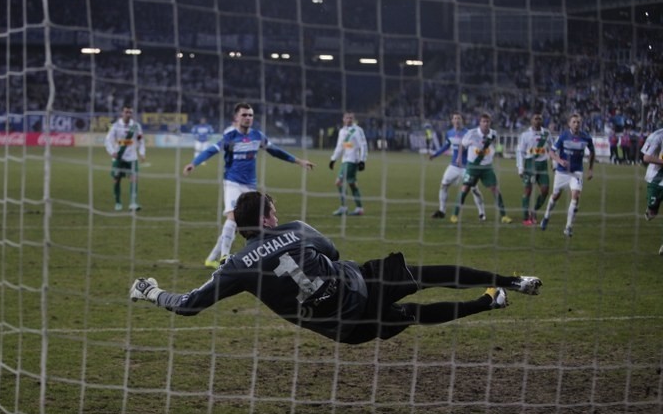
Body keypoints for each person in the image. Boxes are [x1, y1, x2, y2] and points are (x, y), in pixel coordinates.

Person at [130, 191, 542, 345]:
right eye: (274, 209)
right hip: (360, 285)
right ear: (270, 219)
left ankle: (489, 302)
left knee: (412, 317)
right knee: (428, 274)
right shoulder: (295, 229)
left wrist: (152, 291)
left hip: (343, 329)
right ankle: (510, 281)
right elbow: (332, 247)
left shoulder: (236, 267)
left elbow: (186, 304)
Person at [183, 102, 314, 269]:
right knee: (233, 216)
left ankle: (211, 258)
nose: (248, 118)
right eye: (244, 115)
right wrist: (194, 163)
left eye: (250, 115)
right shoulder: (230, 138)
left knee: (240, 223)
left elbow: (276, 151)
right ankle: (224, 257)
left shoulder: (257, 136)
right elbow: (211, 150)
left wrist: (299, 161)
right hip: (232, 182)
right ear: (236, 118)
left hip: (250, 185)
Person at [539, 113, 595, 237]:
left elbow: (592, 152)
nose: (576, 124)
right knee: (555, 196)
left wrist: (590, 169)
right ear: (569, 124)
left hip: (577, 172)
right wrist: (559, 161)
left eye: (578, 122)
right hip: (562, 172)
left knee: (575, 196)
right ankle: (546, 216)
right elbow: (552, 152)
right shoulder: (563, 136)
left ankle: (568, 227)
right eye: (574, 122)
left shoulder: (586, 137)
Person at [451, 113, 512, 224]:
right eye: (483, 121)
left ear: (490, 123)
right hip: (473, 166)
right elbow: (462, 145)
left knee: (495, 190)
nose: (485, 124)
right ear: (480, 123)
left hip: (487, 168)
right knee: (465, 189)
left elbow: (496, 146)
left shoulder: (494, 134)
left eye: (487, 121)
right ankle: (455, 215)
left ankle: (504, 216)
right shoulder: (472, 133)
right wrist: (459, 158)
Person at [428, 112, 485, 220]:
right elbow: (445, 147)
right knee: (444, 185)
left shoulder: (469, 133)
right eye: (455, 118)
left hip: (467, 167)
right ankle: (442, 211)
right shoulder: (449, 133)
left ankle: (481, 213)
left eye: (459, 118)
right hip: (453, 166)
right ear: (452, 121)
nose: (457, 120)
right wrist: (435, 155)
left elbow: (476, 147)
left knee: (474, 190)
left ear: (462, 120)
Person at [105, 105, 146, 211]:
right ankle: (118, 202)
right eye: (126, 112)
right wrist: (112, 152)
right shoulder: (115, 126)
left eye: (130, 112)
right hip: (119, 157)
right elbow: (108, 140)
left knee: (134, 179)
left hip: (132, 157)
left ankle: (133, 203)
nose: (128, 114)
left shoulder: (136, 126)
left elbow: (140, 140)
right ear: (122, 113)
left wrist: (142, 153)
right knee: (116, 180)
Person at [516, 113, 553, 226]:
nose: (537, 120)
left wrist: (554, 162)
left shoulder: (546, 133)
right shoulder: (525, 135)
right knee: (528, 191)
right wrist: (520, 167)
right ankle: (525, 217)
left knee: (545, 191)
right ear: (531, 121)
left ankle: (534, 210)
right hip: (529, 164)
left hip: (542, 165)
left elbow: (552, 148)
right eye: (535, 118)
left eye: (539, 119)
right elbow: (520, 152)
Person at [329, 112, 368, 216]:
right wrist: (333, 159)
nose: (349, 120)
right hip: (345, 161)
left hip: (352, 161)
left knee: (339, 182)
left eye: (351, 118)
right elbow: (340, 147)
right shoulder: (342, 131)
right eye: (347, 118)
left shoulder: (357, 130)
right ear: (343, 119)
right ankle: (359, 208)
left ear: (354, 119)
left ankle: (344, 207)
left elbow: (363, 145)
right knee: (352, 184)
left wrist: (362, 160)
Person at [639, 126, 663, 255]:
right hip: (655, 179)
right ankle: (650, 209)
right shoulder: (657, 136)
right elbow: (646, 158)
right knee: (652, 212)